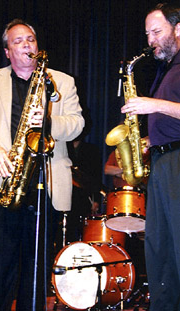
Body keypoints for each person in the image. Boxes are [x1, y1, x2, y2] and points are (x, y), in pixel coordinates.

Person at [0, 19, 84, 311]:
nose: (26, 45)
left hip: (44, 185)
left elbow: (77, 124)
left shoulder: (62, 81)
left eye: (30, 39)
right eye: (18, 41)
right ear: (7, 51)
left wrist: (48, 123)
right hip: (3, 182)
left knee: (36, 272)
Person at [121, 3, 180, 310]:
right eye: (147, 34)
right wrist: (148, 139)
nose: (150, 40)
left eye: (157, 31)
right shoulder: (167, 69)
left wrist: (153, 105)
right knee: (160, 251)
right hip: (162, 162)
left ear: (179, 29)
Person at [66, 137, 102, 242]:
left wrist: (96, 200)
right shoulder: (64, 148)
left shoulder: (91, 150)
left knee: (82, 228)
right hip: (66, 193)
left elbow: (96, 176)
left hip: (83, 196)